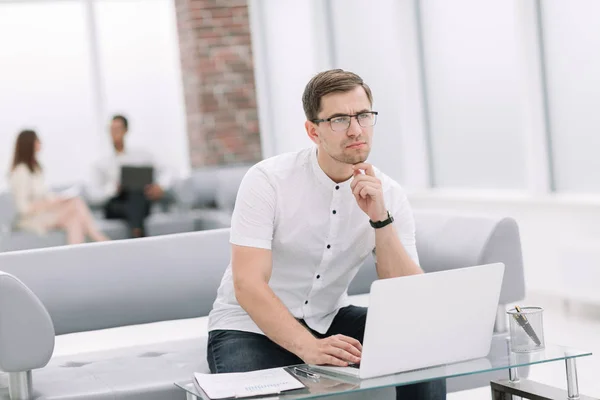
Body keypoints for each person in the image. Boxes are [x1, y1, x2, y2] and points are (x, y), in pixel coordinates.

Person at [206, 69, 446, 399]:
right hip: (248, 325)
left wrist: (380, 219)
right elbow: (247, 285)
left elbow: (409, 295)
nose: (356, 130)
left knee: (421, 338)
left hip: (327, 317)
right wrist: (309, 347)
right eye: (338, 120)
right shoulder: (268, 181)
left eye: (363, 115)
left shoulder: (389, 194)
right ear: (313, 131)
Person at [8, 130, 110, 244]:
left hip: (45, 212)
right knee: (76, 202)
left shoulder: (36, 169)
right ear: (29, 144)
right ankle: (100, 239)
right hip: (31, 219)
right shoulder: (21, 171)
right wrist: (49, 204)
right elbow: (23, 208)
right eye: (37, 141)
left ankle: (76, 256)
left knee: (74, 219)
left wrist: (58, 199)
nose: (40, 143)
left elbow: (45, 194)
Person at [88, 115, 173, 238]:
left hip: (140, 199)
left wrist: (161, 186)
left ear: (126, 130)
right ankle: (138, 232)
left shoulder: (142, 155)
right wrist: (113, 189)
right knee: (134, 201)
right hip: (115, 205)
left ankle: (136, 231)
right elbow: (94, 195)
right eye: (112, 129)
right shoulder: (100, 162)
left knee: (136, 194)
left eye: (118, 129)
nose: (115, 133)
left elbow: (168, 170)